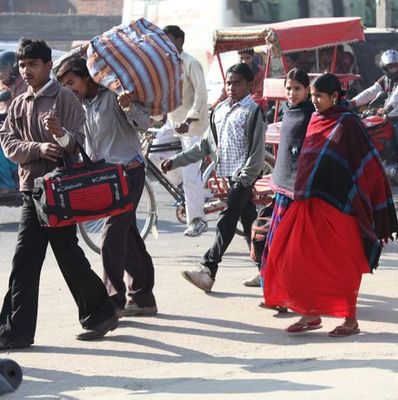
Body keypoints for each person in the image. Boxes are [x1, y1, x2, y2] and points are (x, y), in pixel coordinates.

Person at [0, 39, 118, 348]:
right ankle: (16, 330)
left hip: (60, 192)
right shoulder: (18, 103)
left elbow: (77, 145)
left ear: (48, 66)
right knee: (25, 261)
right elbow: (9, 145)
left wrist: (60, 134)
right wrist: (38, 148)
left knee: (67, 257)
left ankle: (100, 312)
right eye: (22, 65)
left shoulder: (64, 98)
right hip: (31, 192)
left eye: (33, 65)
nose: (26, 71)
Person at [262, 74, 398, 337]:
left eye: (318, 96)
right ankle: (310, 313)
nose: (314, 101)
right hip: (309, 200)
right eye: (312, 95)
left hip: (340, 205)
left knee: (340, 265)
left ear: (334, 97)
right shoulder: (315, 118)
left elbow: (364, 163)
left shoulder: (347, 123)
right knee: (295, 258)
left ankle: (350, 320)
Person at [56, 57, 157, 318]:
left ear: (86, 77)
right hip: (105, 179)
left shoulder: (114, 95)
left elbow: (146, 124)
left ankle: (112, 301)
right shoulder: (80, 106)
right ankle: (144, 296)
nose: (69, 89)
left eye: (71, 82)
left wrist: (129, 108)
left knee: (111, 236)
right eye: (64, 85)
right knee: (128, 235)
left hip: (130, 172)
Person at [161, 63, 266, 293]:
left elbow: (257, 152)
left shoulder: (253, 112)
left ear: (249, 85)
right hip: (227, 176)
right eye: (229, 82)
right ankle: (267, 270)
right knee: (249, 222)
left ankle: (208, 269)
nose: (232, 87)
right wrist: (176, 160)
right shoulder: (220, 111)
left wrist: (246, 177)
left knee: (227, 219)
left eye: (237, 83)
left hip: (243, 178)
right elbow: (204, 146)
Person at [256, 68, 314, 294]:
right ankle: (273, 290)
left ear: (307, 90)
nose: (292, 93)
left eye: (297, 89)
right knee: (275, 241)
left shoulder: (311, 115)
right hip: (282, 190)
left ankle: (289, 291)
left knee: (294, 246)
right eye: (289, 89)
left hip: (300, 192)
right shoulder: (288, 112)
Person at [350, 49, 398, 200]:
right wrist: (352, 102)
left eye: (395, 66)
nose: (393, 69)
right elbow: (371, 92)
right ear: (384, 68)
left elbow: (397, 97)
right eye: (390, 67)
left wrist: (386, 109)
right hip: (387, 119)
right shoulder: (384, 80)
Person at [164, 25, 209, 237]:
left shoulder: (191, 63)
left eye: (170, 41)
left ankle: (197, 220)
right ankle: (189, 187)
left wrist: (189, 120)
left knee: (191, 174)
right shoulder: (167, 66)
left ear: (180, 41)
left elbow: (201, 97)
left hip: (194, 127)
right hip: (173, 123)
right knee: (153, 153)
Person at [0, 51, 26, 198]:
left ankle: (6, 186)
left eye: (4, 69)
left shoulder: (24, 86)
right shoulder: (5, 86)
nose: (1, 73)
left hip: (23, 131)